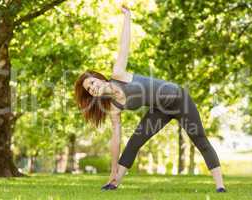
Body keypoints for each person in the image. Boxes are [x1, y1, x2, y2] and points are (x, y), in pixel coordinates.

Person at [74, 5, 226, 193]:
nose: (93, 88)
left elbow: (124, 46)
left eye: (92, 82)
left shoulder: (118, 74)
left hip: (179, 99)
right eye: (89, 89)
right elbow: (116, 140)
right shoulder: (113, 108)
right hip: (160, 109)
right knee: (135, 142)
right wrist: (113, 167)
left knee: (199, 138)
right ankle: (113, 183)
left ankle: (220, 186)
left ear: (99, 78)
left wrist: (127, 17)